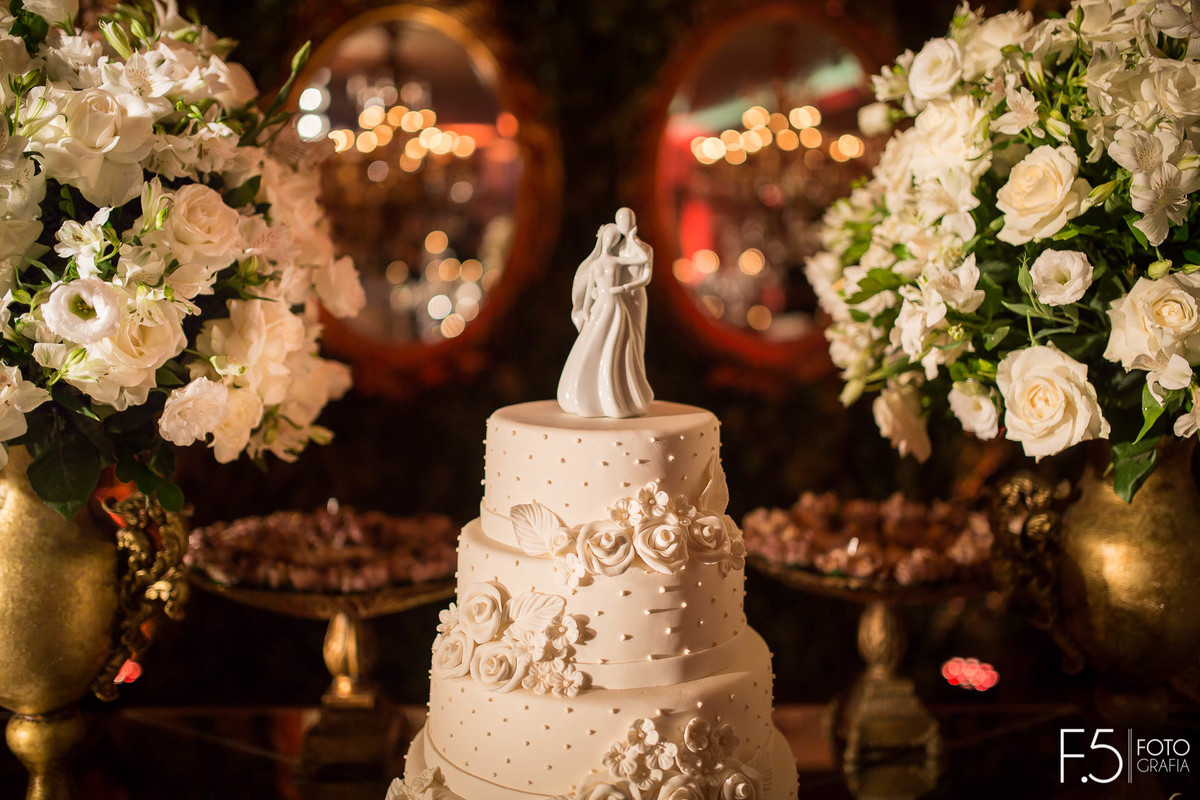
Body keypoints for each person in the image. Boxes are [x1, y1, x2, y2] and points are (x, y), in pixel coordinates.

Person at [557, 208, 654, 418]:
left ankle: (627, 389)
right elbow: (589, 288)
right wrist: (586, 306)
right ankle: (594, 389)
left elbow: (643, 267)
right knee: (602, 340)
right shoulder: (609, 258)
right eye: (610, 236)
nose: (612, 240)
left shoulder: (636, 251)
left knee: (627, 342)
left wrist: (632, 239)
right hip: (606, 301)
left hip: (625, 299)